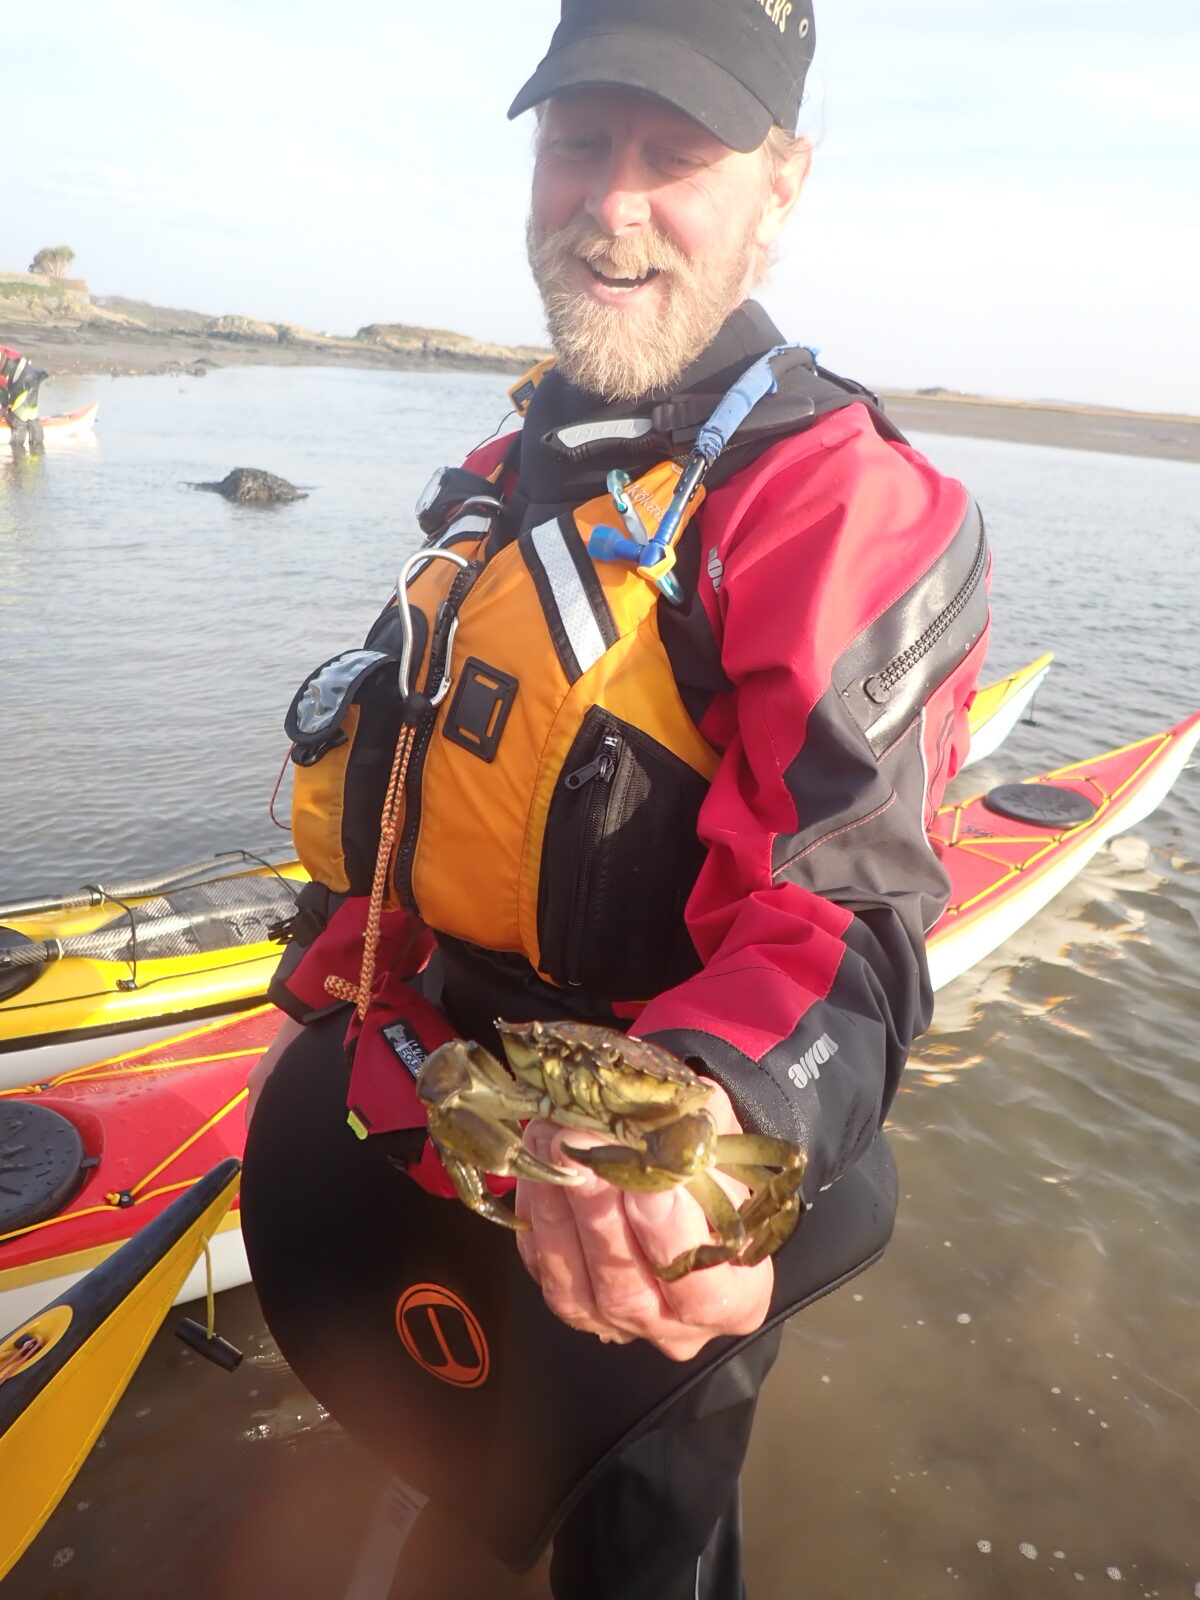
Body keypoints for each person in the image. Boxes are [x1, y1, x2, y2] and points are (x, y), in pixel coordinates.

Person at [241, 1, 991, 1595]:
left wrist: (716, 1119)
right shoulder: (500, 462)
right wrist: (338, 956)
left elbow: (845, 913)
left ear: (780, 187)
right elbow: (418, 768)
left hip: (653, 1180)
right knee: (453, 1486)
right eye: (580, 143)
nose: (613, 202)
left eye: (677, 155)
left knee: (640, 1545)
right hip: (435, 1125)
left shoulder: (841, 498)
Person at [0, 345, 47, 451]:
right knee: (31, 413)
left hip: (21, 379)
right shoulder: (3, 352)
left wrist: (6, 406)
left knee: (19, 416)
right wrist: (5, 405)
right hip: (30, 374)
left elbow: (3, 388)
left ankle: (17, 450)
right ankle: (38, 447)